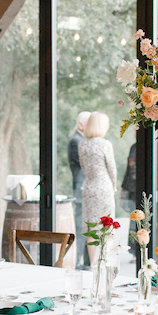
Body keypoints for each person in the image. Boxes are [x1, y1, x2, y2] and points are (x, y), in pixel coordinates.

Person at [78, 111, 117, 266]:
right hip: (103, 187)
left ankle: (93, 266)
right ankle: (104, 261)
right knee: (106, 226)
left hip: (88, 186)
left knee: (91, 227)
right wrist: (114, 185)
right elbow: (112, 168)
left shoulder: (82, 144)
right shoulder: (105, 144)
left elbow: (83, 167)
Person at [120, 142, 158, 255]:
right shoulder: (134, 146)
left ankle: (157, 250)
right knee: (137, 220)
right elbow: (128, 170)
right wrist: (123, 188)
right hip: (135, 190)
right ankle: (136, 251)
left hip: (153, 190)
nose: (135, 131)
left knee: (153, 220)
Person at [67, 111, 91, 270]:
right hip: (81, 188)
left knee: (87, 225)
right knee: (80, 225)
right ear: (80, 125)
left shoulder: (84, 141)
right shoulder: (76, 141)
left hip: (87, 188)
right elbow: (86, 165)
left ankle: (87, 262)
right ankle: (76, 262)